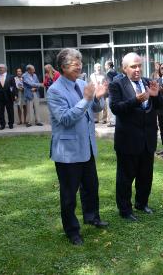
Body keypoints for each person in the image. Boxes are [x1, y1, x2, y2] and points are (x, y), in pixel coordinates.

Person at [47, 48, 109, 246]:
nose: (80, 66)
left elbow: (95, 109)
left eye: (80, 62)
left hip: (87, 147)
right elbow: (65, 119)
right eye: (75, 63)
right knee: (69, 194)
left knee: (91, 187)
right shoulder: (54, 90)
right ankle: (72, 230)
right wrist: (87, 99)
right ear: (64, 67)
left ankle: (92, 216)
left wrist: (99, 97)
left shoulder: (82, 83)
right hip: (67, 153)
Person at [109, 52, 163, 221]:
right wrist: (136, 100)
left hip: (147, 140)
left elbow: (160, 106)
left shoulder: (148, 82)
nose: (138, 69)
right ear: (125, 68)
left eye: (139, 65)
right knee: (125, 178)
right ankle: (125, 210)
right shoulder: (117, 84)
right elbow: (115, 108)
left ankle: (142, 203)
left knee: (145, 175)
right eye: (133, 66)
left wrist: (156, 96)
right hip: (128, 141)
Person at [0, 64, 16, 130]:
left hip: (9, 97)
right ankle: (2, 124)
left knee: (10, 111)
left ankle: (11, 124)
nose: (0, 69)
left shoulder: (11, 76)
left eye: (1, 68)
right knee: (0, 111)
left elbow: (14, 87)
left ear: (5, 69)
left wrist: (15, 95)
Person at [105, 60, 117, 127]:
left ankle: (113, 122)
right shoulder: (115, 72)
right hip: (115, 91)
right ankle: (114, 121)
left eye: (105, 65)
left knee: (111, 106)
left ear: (109, 66)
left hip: (111, 92)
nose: (105, 66)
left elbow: (110, 83)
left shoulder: (109, 73)